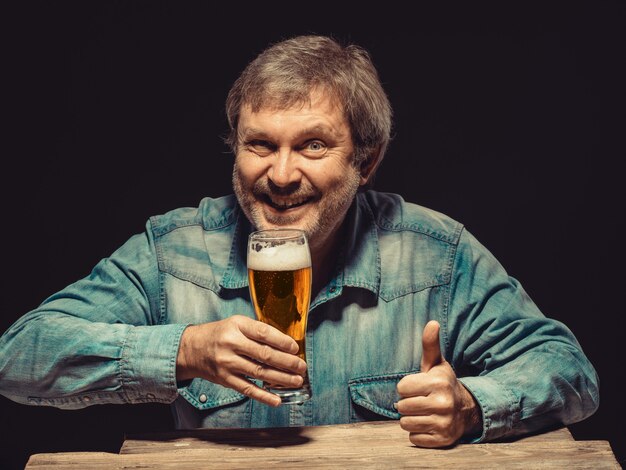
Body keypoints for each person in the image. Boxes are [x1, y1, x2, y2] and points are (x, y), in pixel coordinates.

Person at [0, 35, 598, 448]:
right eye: (260, 144)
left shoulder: (434, 253)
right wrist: (181, 351)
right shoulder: (173, 249)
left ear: (367, 160)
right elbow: (18, 356)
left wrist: (472, 405)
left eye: (312, 145)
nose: (281, 175)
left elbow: (570, 372)